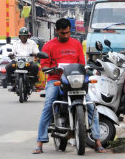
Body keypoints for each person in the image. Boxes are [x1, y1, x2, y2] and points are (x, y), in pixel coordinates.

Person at [33, 18, 106, 154]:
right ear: (57, 31)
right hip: (56, 80)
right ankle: (40, 142)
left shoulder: (76, 44)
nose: (66, 35)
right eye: (62, 33)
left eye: (67, 32)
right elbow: (44, 66)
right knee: (49, 104)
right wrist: (52, 70)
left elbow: (81, 63)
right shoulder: (48, 46)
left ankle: (97, 141)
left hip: (76, 80)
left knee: (91, 106)